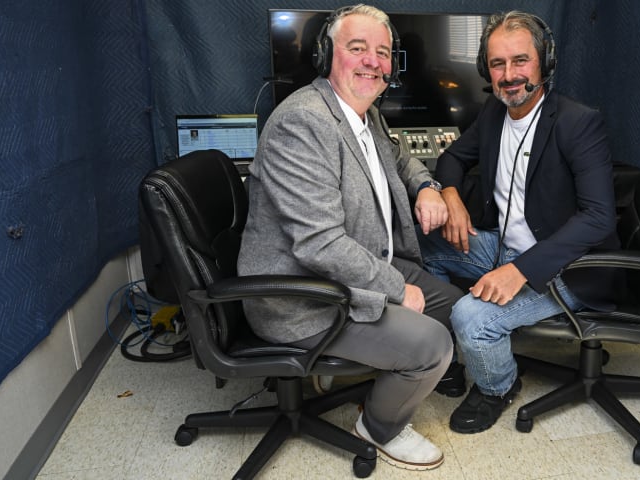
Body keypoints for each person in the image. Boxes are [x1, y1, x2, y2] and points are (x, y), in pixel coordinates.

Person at [237, 4, 464, 470]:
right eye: (357, 48)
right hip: (304, 297)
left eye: (382, 52)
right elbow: (320, 245)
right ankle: (379, 426)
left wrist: (425, 186)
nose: (372, 62)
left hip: (358, 265)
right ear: (327, 55)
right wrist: (399, 290)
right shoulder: (303, 122)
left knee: (455, 309)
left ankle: (352, 365)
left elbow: (402, 159)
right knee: (433, 346)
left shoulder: (365, 114)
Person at [417, 10, 620, 434]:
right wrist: (450, 196)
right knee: (421, 243)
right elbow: (453, 157)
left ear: (544, 62)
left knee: (474, 318)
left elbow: (599, 217)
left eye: (520, 61)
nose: (509, 75)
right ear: (485, 70)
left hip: (566, 268)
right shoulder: (494, 112)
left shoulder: (577, 122)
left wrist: (519, 271)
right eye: (497, 64)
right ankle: (448, 357)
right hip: (503, 248)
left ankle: (497, 386)